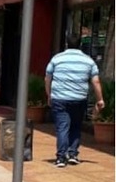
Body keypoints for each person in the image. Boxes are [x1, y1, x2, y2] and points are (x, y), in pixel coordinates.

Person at [45, 33, 104, 168]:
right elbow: (95, 81)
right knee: (76, 126)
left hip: (59, 98)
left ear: (67, 44)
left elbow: (47, 78)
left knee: (62, 127)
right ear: (80, 45)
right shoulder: (88, 61)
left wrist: (49, 95)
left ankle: (61, 158)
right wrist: (100, 99)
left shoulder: (57, 59)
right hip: (79, 98)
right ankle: (73, 154)